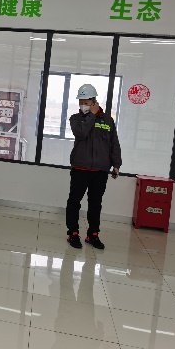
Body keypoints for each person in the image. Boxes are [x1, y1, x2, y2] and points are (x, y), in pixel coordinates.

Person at [66, 84, 122, 250]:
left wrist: (116, 164)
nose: (82, 104)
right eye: (81, 101)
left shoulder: (108, 121)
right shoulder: (76, 119)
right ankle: (73, 233)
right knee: (74, 201)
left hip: (100, 170)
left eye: (86, 101)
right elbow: (81, 133)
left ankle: (93, 235)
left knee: (95, 204)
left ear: (94, 101)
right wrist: (91, 115)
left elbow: (114, 143)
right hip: (80, 168)